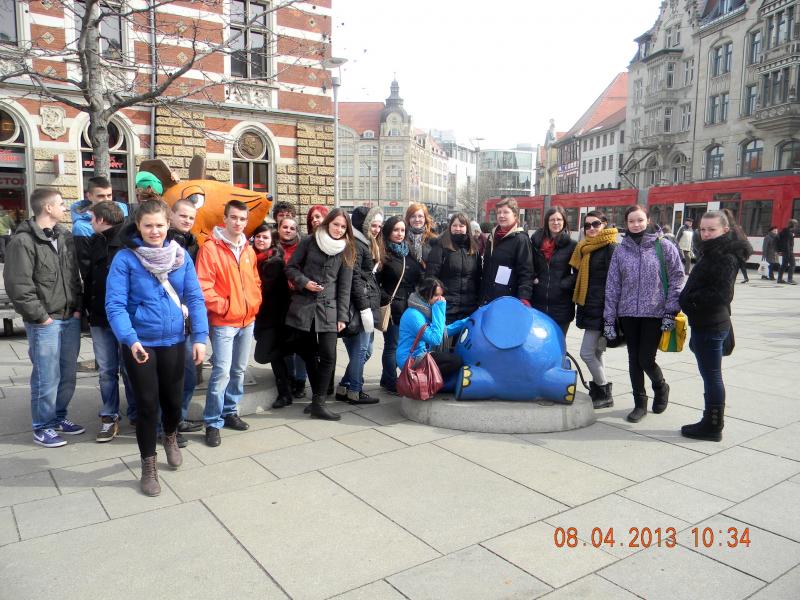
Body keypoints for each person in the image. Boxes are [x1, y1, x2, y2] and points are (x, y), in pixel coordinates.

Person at [105, 199, 208, 495]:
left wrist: (200, 337)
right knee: (148, 406)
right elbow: (115, 304)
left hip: (175, 340)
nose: (154, 231)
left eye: (160, 225)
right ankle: (148, 465)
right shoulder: (126, 259)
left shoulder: (180, 256)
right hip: (141, 343)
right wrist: (130, 338)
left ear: (168, 225)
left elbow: (195, 298)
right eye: (148, 225)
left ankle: (171, 435)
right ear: (138, 226)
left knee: (174, 403)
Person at [4, 189, 84, 448]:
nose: (65, 208)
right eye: (61, 204)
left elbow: (73, 276)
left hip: (69, 317)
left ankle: (59, 417)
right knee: (46, 376)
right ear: (48, 208)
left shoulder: (65, 237)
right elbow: (19, 286)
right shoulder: (23, 241)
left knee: (67, 373)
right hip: (45, 322)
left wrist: (76, 308)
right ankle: (43, 426)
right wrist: (41, 318)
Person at [603, 205, 684, 423]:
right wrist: (609, 319)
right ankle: (640, 402)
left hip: (655, 313)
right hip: (628, 313)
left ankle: (660, 386)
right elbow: (613, 285)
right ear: (626, 223)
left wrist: (670, 311)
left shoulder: (664, 246)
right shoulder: (621, 250)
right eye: (631, 221)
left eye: (640, 220)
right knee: (633, 360)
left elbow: (677, 278)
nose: (636, 224)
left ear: (648, 220)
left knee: (646, 359)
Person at [679, 211, 752, 441]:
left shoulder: (724, 255)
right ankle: (710, 420)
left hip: (711, 324)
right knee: (710, 373)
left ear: (725, 230)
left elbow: (722, 294)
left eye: (712, 229)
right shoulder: (713, 251)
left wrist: (691, 301)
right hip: (708, 323)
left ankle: (712, 425)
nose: (706, 234)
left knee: (712, 375)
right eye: (703, 229)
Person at [196, 200, 262, 447]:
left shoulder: (248, 249)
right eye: (233, 218)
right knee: (221, 372)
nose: (238, 223)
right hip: (224, 321)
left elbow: (255, 280)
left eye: (242, 219)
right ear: (224, 219)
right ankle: (212, 422)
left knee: (239, 370)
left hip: (247, 320)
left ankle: (230, 410)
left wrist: (254, 302)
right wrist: (224, 306)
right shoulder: (210, 249)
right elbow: (204, 286)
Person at [285, 208, 355, 420]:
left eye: (343, 227)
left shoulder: (347, 248)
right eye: (336, 224)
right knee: (308, 354)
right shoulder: (310, 241)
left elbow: (345, 286)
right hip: (304, 307)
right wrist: (305, 282)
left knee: (328, 356)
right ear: (327, 223)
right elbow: (291, 268)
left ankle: (319, 402)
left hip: (329, 309)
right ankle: (317, 400)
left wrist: (342, 316)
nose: (339, 229)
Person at [83, 200, 137, 442]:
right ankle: (109, 416)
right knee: (106, 370)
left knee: (129, 368)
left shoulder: (127, 245)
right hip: (98, 317)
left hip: (122, 318)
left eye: (92, 218)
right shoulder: (95, 242)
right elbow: (90, 279)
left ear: (102, 220)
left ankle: (136, 412)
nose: (90, 222)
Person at [569, 210, 618, 409]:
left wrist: (610, 313)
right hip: (589, 306)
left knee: (586, 353)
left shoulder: (611, 247)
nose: (591, 228)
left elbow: (616, 283)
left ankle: (603, 389)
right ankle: (601, 391)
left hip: (602, 309)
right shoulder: (585, 248)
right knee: (597, 353)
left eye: (595, 224)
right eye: (587, 225)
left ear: (604, 224)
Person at [335, 206, 383, 405]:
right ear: (363, 225)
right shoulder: (357, 244)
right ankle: (355, 390)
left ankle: (345, 386)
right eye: (373, 225)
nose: (377, 229)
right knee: (362, 350)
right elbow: (354, 278)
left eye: (379, 225)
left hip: (364, 304)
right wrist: (364, 309)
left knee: (365, 350)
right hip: (359, 306)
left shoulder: (364, 242)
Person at [168, 199, 202, 440]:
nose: (187, 220)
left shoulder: (195, 244)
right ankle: (166, 425)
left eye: (191, 217)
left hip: (188, 318)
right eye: (183, 215)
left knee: (188, 374)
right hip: (167, 319)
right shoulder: (162, 242)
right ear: (171, 215)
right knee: (169, 377)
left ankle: (178, 418)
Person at [378, 216, 424, 394]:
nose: (399, 233)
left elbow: (419, 278)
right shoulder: (384, 254)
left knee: (404, 345)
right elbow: (375, 283)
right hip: (393, 308)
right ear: (389, 231)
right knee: (392, 346)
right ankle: (391, 382)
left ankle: (385, 378)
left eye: (402, 230)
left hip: (410, 309)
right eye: (396, 230)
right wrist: (387, 298)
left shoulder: (409, 253)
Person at [396, 277, 469, 385]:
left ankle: (428, 383)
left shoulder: (424, 310)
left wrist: (467, 321)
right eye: (435, 295)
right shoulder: (414, 315)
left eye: (440, 295)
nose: (439, 299)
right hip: (410, 359)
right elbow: (436, 338)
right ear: (425, 294)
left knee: (452, 358)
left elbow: (443, 331)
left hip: (420, 355)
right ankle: (423, 383)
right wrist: (439, 308)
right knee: (455, 361)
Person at [252, 225, 294, 409]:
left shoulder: (274, 261)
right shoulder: (257, 258)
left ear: (272, 241)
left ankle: (292, 349)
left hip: (274, 319)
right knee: (277, 360)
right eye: (258, 236)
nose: (261, 240)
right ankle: (285, 394)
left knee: (262, 356)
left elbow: (263, 290)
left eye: (265, 237)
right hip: (264, 317)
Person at [426, 212, 482, 323]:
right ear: (450, 227)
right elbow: (431, 277)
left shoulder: (473, 249)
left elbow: (477, 278)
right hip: (447, 307)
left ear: (467, 228)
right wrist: (438, 296)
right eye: (454, 225)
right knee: (445, 340)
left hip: (469, 308)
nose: (458, 229)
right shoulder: (440, 246)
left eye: (461, 226)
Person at [70, 176, 129, 282]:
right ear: (89, 196)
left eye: (109, 195)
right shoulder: (81, 228)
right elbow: (85, 267)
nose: (106, 200)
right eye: (101, 196)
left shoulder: (126, 212)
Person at [531, 206, 577, 335]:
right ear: (546, 222)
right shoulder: (535, 242)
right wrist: (533, 277)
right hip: (537, 303)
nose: (556, 223)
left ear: (564, 222)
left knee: (558, 345)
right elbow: (528, 265)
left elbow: (579, 273)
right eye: (552, 220)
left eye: (559, 219)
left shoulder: (572, 245)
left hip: (561, 305)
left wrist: (562, 284)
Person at [276, 216, 308, 399]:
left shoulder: (302, 248)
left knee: (301, 346)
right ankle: (289, 377)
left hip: (299, 299)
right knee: (285, 345)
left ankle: (301, 381)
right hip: (279, 302)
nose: (288, 230)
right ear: (279, 228)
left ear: (297, 231)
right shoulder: (273, 248)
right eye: (285, 227)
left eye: (292, 228)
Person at [480, 197, 533, 305]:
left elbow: (526, 272)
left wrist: (524, 298)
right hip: (489, 298)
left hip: (508, 299)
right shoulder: (492, 237)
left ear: (515, 214)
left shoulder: (521, 239)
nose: (501, 215)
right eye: (499, 212)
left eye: (505, 212)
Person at [405, 203, 437, 268]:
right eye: (413, 216)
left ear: (425, 218)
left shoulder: (433, 239)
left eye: (420, 216)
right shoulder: (402, 238)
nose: (417, 220)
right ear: (408, 219)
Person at [777, 218, 797, 285]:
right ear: (793, 225)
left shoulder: (785, 231)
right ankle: (790, 279)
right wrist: (788, 253)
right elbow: (787, 244)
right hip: (788, 251)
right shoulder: (789, 233)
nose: (796, 226)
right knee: (793, 264)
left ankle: (779, 279)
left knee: (784, 265)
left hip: (785, 251)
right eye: (796, 225)